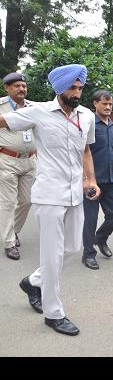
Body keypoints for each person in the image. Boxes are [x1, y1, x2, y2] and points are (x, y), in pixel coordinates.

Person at [0, 64, 100, 336]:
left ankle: (33, 281)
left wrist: (90, 180)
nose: (77, 92)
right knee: (52, 254)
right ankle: (53, 314)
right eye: (72, 87)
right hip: (48, 195)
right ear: (59, 88)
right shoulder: (38, 112)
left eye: (80, 88)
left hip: (75, 195)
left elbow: (86, 150)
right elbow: (3, 121)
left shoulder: (87, 116)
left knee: (73, 248)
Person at [82, 90, 113, 270]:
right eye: (104, 104)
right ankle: (88, 254)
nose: (108, 107)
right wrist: (86, 178)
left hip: (111, 179)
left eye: (110, 104)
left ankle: (100, 238)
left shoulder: (112, 126)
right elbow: (83, 152)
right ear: (95, 104)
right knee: (91, 218)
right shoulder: (89, 125)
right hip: (93, 180)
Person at [0, 72, 36, 260]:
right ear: (7, 88)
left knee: (27, 200)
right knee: (8, 202)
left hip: (30, 161)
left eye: (23, 86)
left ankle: (13, 231)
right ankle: (9, 242)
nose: (22, 89)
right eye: (17, 86)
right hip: (7, 160)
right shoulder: (1, 107)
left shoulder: (33, 107)